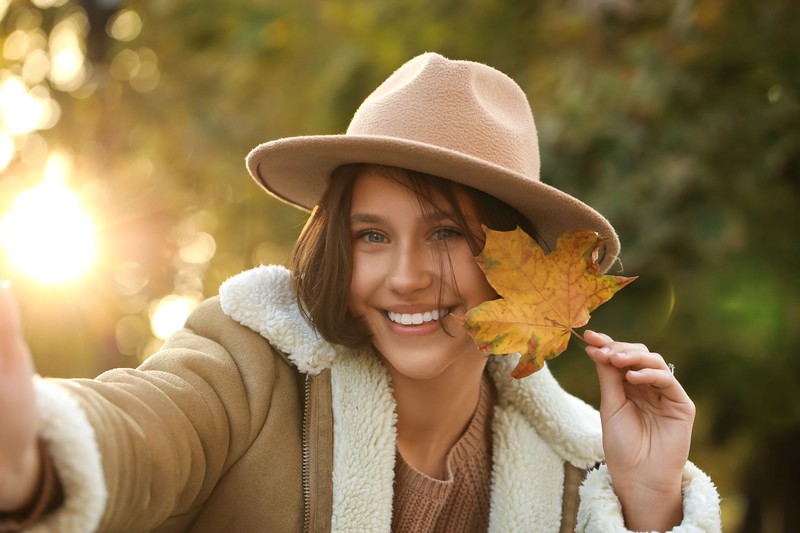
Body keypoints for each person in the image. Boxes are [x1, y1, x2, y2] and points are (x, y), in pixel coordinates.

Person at [0, 52, 721, 532]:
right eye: (372, 235)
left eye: (445, 234)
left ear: (514, 260)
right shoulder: (250, 362)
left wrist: (651, 501)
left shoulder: (577, 466)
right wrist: (33, 453)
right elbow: (141, 430)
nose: (405, 275)